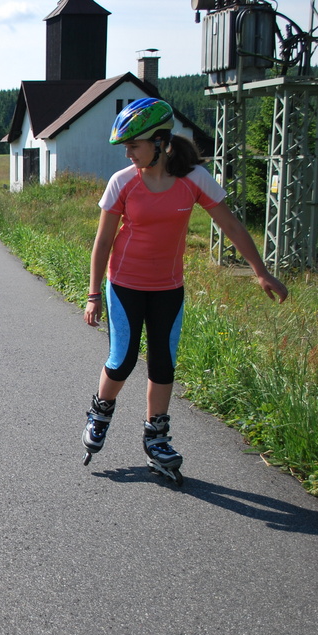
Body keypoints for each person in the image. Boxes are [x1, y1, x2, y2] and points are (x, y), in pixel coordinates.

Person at [82, 97, 288, 476]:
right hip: (125, 284)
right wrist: (94, 294)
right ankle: (100, 413)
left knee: (164, 362)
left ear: (159, 143)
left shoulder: (194, 180)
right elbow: (103, 242)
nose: (128, 154)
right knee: (123, 359)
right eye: (126, 147)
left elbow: (231, 226)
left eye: (134, 146)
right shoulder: (122, 183)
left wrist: (260, 270)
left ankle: (156, 437)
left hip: (168, 288)